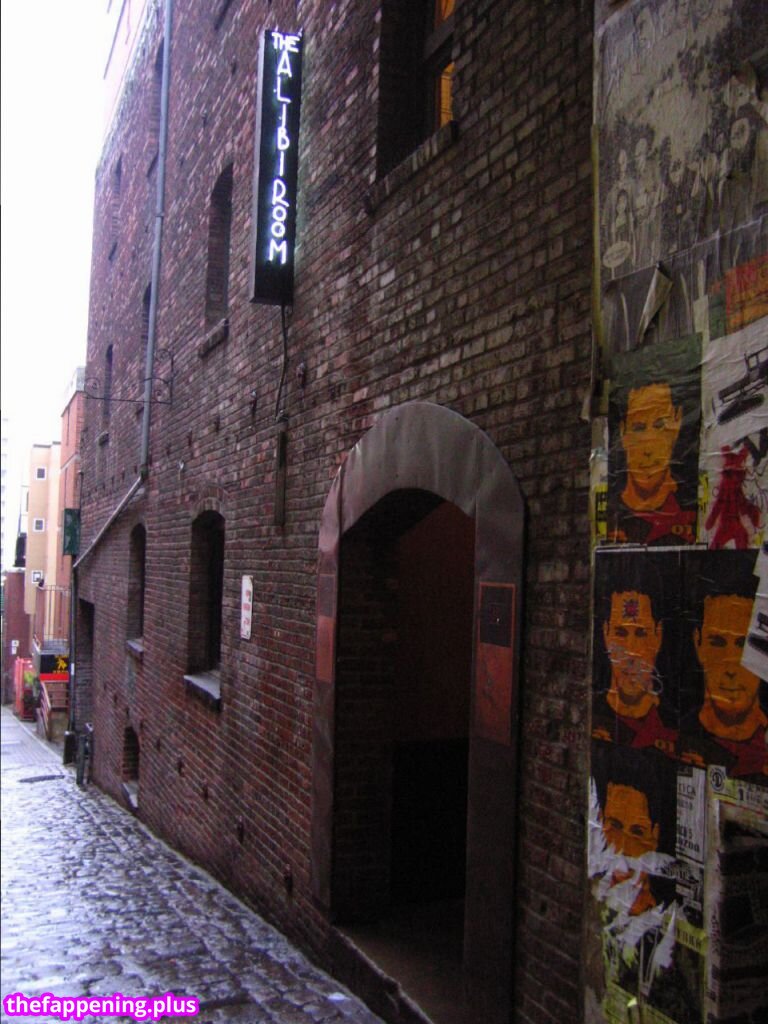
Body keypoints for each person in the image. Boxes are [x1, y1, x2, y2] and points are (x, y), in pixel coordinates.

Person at [679, 591, 767, 778]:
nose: (730, 668)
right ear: (698, 643)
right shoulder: (673, 733)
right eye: (717, 643)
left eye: (743, 644)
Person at [610, 382, 696, 544]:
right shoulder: (610, 514)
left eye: (660, 425)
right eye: (638, 428)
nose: (648, 448)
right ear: (623, 432)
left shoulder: (692, 506)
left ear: (677, 422)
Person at [593, 589, 677, 755]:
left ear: (658, 635)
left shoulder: (674, 723)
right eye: (620, 633)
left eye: (641, 633)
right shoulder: (591, 714)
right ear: (605, 633)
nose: (630, 651)